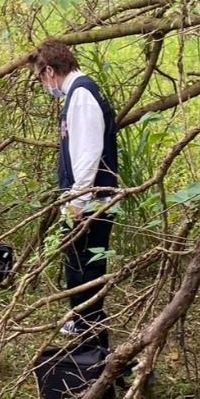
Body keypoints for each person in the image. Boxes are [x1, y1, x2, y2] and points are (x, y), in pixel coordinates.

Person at [29, 40, 120, 351]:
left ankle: (91, 331)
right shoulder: (78, 93)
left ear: (50, 71)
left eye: (41, 78)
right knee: (77, 261)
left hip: (91, 200)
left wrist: (77, 203)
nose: (44, 86)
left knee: (85, 265)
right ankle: (82, 319)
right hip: (86, 198)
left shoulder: (81, 96)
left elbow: (88, 154)